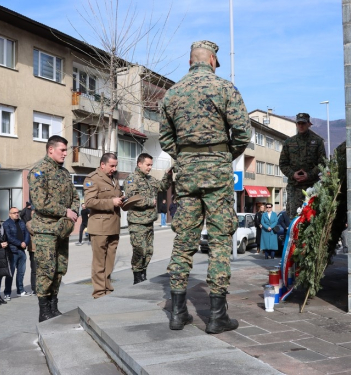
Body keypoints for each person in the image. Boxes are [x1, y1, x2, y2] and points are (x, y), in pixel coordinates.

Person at [160, 40, 251, 333]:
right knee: (220, 240)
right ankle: (216, 316)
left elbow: (165, 137)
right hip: (216, 172)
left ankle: (176, 313)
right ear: (212, 59)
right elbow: (242, 132)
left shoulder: (172, 93)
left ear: (190, 62)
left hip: (186, 175)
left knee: (183, 241)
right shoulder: (224, 88)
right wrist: (224, 155)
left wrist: (186, 158)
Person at [28, 135, 79, 322]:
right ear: (51, 150)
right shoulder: (39, 171)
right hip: (46, 231)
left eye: (66, 150)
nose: (66, 153)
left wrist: (74, 210)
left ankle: (53, 306)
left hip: (62, 231)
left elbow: (75, 196)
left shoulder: (64, 173)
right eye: (62, 150)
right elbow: (40, 203)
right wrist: (64, 211)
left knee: (59, 268)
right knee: (46, 270)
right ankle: (43, 311)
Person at [123, 153, 172, 284]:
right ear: (140, 164)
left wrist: (168, 175)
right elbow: (132, 199)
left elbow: (162, 186)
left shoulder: (150, 179)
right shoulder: (131, 179)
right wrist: (151, 201)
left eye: (151, 165)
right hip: (137, 222)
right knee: (139, 250)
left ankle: (143, 273)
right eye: (148, 165)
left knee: (149, 251)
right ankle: (137, 277)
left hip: (149, 221)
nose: (150, 167)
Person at [84, 153, 123, 299]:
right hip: (99, 226)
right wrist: (111, 202)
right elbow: (89, 202)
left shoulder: (113, 179)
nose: (114, 168)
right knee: (99, 262)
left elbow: (114, 196)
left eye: (115, 166)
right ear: (103, 165)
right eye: (112, 166)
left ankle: (108, 290)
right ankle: (99, 293)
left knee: (109, 261)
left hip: (113, 225)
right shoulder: (93, 178)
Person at [279, 113, 326, 218]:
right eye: (299, 123)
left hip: (312, 187)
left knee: (313, 217)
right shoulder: (289, 142)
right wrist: (293, 174)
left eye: (303, 123)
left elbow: (322, 163)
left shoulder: (317, 141)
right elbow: (283, 164)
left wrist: (309, 175)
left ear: (309, 124)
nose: (301, 126)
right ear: (296, 124)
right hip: (294, 187)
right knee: (294, 218)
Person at [3, 207, 31, 299]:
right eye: (14, 213)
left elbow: (27, 233)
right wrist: (20, 243)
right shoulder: (6, 224)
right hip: (12, 251)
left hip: (21, 251)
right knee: (10, 273)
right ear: (9, 214)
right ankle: (7, 293)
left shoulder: (21, 222)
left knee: (21, 272)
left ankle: (20, 290)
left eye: (17, 212)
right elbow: (9, 237)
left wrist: (25, 242)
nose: (17, 214)